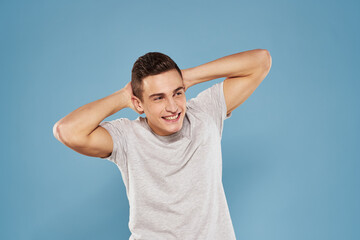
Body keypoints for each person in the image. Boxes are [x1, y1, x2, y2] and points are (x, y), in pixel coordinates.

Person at [53, 49, 272, 240]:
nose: (172, 107)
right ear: (138, 103)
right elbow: (67, 131)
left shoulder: (205, 112)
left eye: (177, 93)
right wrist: (123, 96)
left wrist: (186, 77)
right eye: (158, 98)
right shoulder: (127, 136)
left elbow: (260, 60)